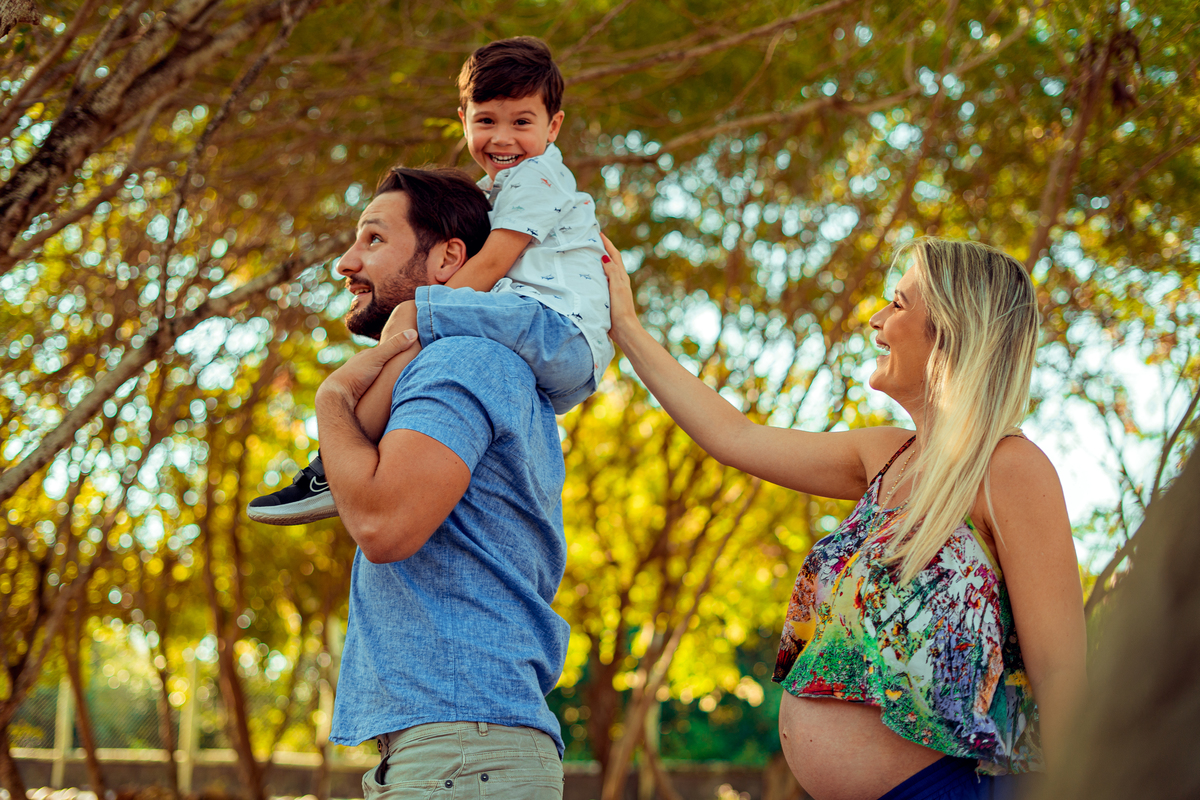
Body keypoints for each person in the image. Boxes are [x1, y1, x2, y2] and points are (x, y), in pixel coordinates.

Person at [600, 236, 1086, 800]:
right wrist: (627, 329)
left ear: (953, 329)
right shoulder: (885, 454)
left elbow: (1061, 671)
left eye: (899, 305)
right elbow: (733, 437)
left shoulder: (1011, 469)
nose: (876, 319)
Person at [247, 36, 611, 525]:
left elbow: (489, 264)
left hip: (555, 329)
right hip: (561, 348)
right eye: (486, 121)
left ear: (554, 126)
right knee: (424, 328)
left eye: (522, 122)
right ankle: (337, 460)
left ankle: (335, 464)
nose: (502, 139)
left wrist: (425, 305)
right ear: (464, 121)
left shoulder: (537, 178)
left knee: (415, 315)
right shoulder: (499, 191)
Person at [314, 165, 570, 799]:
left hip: (462, 752)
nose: (347, 262)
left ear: (449, 259)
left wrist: (332, 400)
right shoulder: (467, 361)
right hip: (458, 750)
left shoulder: (461, 359)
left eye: (374, 239)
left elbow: (383, 525)